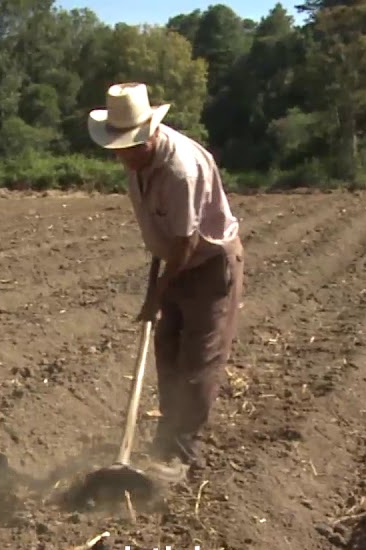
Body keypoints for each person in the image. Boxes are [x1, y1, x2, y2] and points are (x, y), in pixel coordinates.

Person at [88, 82, 245, 485]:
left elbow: (187, 242)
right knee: (168, 357)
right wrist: (158, 288)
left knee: (196, 361)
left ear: (150, 134)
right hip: (174, 261)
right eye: (117, 148)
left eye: (129, 147)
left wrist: (157, 296)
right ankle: (164, 446)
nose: (122, 156)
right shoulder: (139, 163)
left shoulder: (180, 169)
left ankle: (181, 457)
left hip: (208, 266)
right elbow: (166, 233)